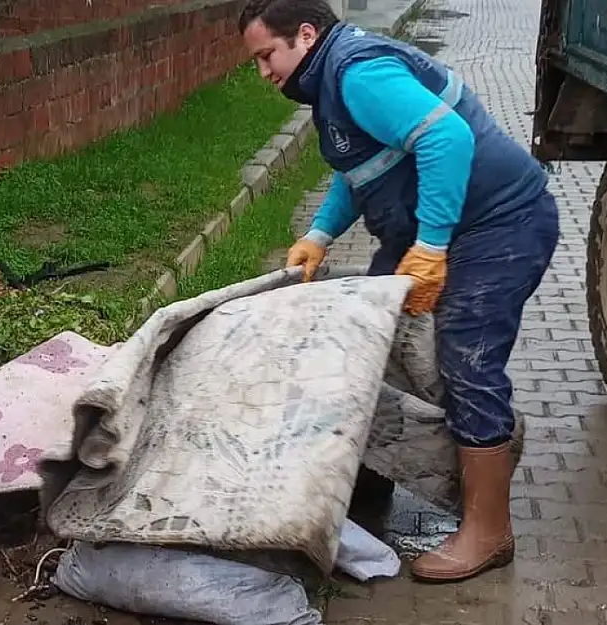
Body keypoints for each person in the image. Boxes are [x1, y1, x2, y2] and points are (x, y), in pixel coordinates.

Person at [238, 0, 560, 583]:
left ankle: (489, 531)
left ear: (305, 35)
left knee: (467, 357)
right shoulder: (331, 80)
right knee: (370, 340)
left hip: (499, 224)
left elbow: (448, 140)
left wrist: (432, 247)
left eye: (267, 55)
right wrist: (320, 232)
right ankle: (367, 483)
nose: (264, 72)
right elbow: (360, 166)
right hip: (436, 229)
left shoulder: (358, 72)